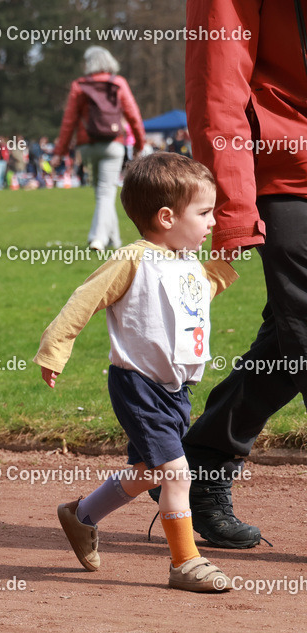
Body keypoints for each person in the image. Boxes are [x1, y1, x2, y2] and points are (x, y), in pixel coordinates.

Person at [36, 153, 237, 592]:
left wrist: (234, 252)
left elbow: (202, 292)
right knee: (176, 473)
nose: (211, 223)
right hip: (138, 386)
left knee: (149, 469)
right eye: (204, 213)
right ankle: (186, 563)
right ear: (167, 217)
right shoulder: (133, 260)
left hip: (175, 390)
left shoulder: (187, 262)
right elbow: (83, 300)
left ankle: (81, 515)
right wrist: (54, 349)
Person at [179, 0, 307, 549]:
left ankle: (202, 462)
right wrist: (232, 207)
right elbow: (218, 83)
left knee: (289, 341)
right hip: (288, 174)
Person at [53, 47, 146, 250]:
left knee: (102, 192)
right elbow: (134, 116)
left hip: (88, 146)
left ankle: (112, 239)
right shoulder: (118, 83)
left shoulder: (79, 86)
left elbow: (68, 122)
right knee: (106, 191)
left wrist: (59, 152)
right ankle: (99, 238)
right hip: (113, 144)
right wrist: (140, 143)